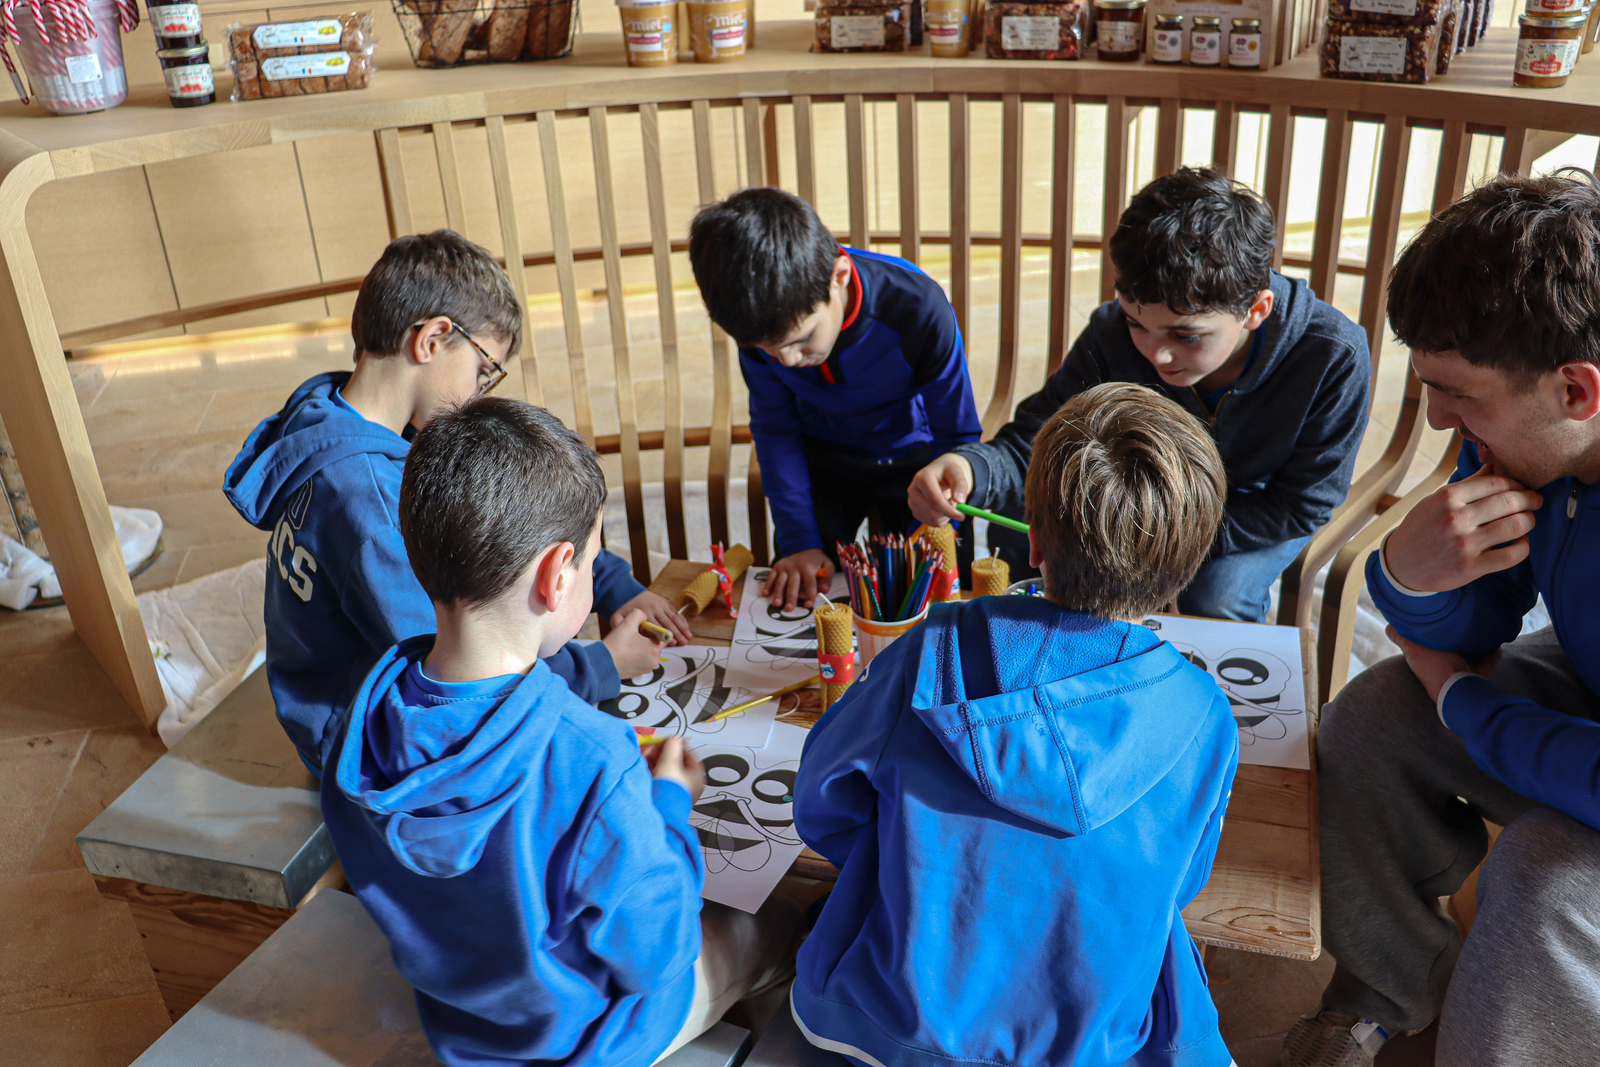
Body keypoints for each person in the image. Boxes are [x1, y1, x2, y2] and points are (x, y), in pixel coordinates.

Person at [321, 397, 797, 1067]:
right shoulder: (593, 758)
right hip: (592, 1039)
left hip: (465, 1029)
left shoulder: (362, 720)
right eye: (595, 559)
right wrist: (668, 804)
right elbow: (659, 952)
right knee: (784, 922)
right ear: (556, 574)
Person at [791, 382, 1239, 1067]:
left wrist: (909, 867)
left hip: (879, 1027)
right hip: (1087, 1048)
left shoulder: (926, 651)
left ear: (1032, 541)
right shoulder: (1205, 717)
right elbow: (1181, 884)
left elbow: (821, 804)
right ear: (1189, 564)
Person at [1280, 170, 1600, 1067]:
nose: (1436, 418)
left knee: (1543, 872)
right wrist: (1410, 579)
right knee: (1371, 713)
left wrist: (1465, 703)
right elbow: (1475, 619)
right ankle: (1382, 991)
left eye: (1459, 393)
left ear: (1577, 391)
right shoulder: (1530, 446)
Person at [224, 230, 689, 776]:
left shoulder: (326, 412)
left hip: (331, 700)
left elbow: (510, 515)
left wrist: (609, 581)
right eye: (483, 369)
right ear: (432, 339)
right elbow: (465, 675)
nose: (479, 392)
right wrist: (600, 664)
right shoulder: (371, 505)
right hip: (369, 746)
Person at [907, 166, 1371, 622]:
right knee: (1029, 527)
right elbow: (1039, 438)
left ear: (1255, 309)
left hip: (1251, 506)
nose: (1157, 354)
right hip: (1137, 495)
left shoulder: (1333, 355)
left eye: (1186, 336)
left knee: (1217, 596)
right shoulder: (1111, 333)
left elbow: (1301, 504)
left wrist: (1159, 533)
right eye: (1136, 324)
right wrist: (971, 468)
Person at [688, 187, 983, 611]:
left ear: (839, 275)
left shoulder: (918, 307)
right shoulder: (758, 320)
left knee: (941, 596)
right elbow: (776, 430)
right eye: (769, 350)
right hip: (823, 461)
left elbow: (957, 435)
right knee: (799, 589)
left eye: (803, 338)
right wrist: (799, 540)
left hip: (917, 461)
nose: (787, 361)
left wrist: (942, 514)